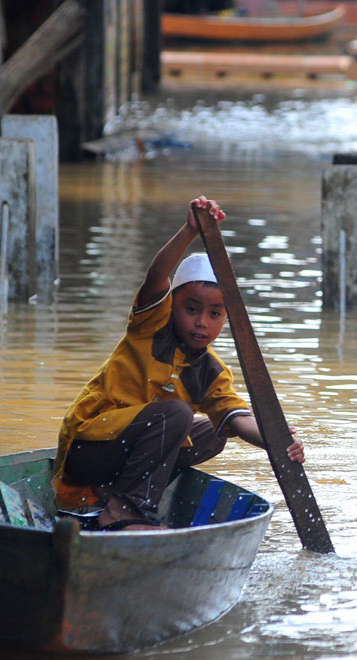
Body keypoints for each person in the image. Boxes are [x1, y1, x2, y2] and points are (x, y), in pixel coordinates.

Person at [53, 196, 306, 532]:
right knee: (177, 414)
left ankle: (114, 496)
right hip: (87, 450)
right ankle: (125, 511)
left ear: (225, 318)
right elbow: (158, 274)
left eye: (214, 313)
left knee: (214, 433)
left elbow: (238, 417)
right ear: (171, 305)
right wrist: (189, 231)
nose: (202, 322)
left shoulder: (211, 371)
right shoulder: (150, 328)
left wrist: (278, 441)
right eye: (191, 309)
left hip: (123, 458)